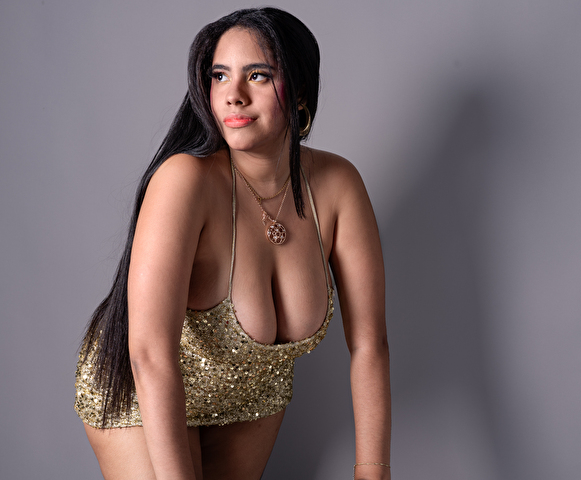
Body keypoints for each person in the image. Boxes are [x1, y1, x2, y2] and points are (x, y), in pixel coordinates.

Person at [74, 7, 390, 480]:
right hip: (142, 391)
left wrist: (373, 470)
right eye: (219, 75)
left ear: (300, 91)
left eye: (258, 75)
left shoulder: (338, 185)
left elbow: (369, 344)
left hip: (252, 396)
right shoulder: (185, 181)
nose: (233, 94)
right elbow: (150, 355)